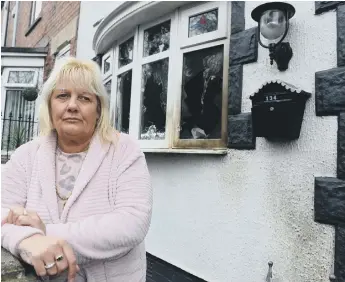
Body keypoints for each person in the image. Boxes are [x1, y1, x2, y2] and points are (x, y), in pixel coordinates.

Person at [1, 57, 153, 282]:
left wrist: (47, 233)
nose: (72, 105)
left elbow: (132, 223)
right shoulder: (26, 156)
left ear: (99, 110)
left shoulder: (124, 151)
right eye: (63, 96)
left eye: (84, 98)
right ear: (50, 105)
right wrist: (28, 240)